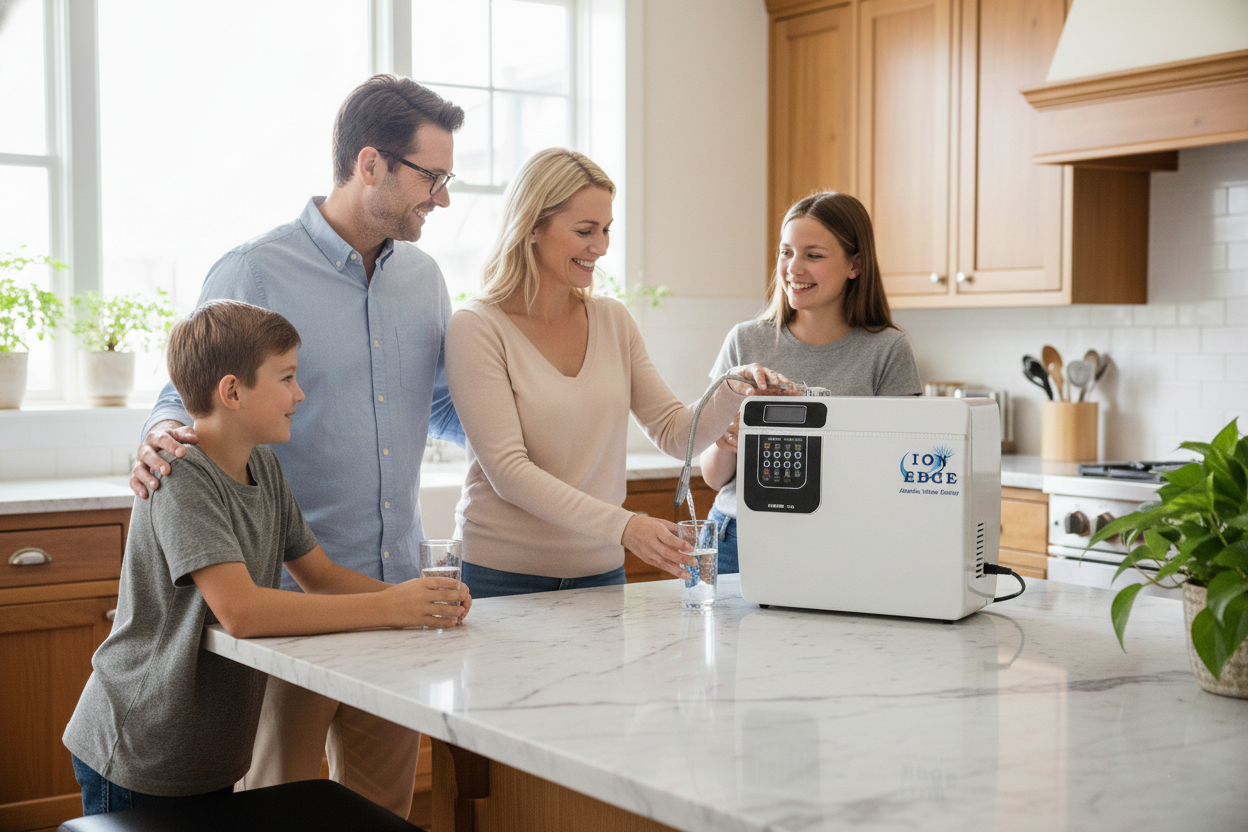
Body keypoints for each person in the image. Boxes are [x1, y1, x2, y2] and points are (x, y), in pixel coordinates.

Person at [127, 75, 465, 817]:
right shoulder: (256, 268)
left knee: (384, 811)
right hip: (290, 608)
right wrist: (157, 439)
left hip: (394, 593)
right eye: (431, 177)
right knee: (280, 805)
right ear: (370, 164)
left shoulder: (426, 279)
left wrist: (521, 428)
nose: (441, 197)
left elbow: (440, 410)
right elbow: (181, 398)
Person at [64, 300, 471, 816]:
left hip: (206, 753)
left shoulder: (264, 466)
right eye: (286, 378)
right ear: (232, 391)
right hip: (141, 746)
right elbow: (243, 613)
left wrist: (417, 600)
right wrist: (394, 609)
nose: (300, 394)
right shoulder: (181, 474)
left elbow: (319, 575)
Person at [444, 148, 787, 599]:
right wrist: (626, 526)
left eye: (606, 230)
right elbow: (508, 471)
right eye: (585, 231)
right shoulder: (477, 326)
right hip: (499, 577)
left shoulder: (612, 320)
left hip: (601, 576)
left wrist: (733, 388)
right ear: (532, 226)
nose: (601, 247)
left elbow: (671, 431)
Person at [699, 191, 923, 574]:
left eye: (813, 255)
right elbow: (714, 476)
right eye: (786, 252)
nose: (793, 268)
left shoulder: (888, 350)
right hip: (738, 536)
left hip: (843, 538)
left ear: (855, 264)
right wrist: (727, 439)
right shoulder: (745, 341)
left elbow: (900, 472)